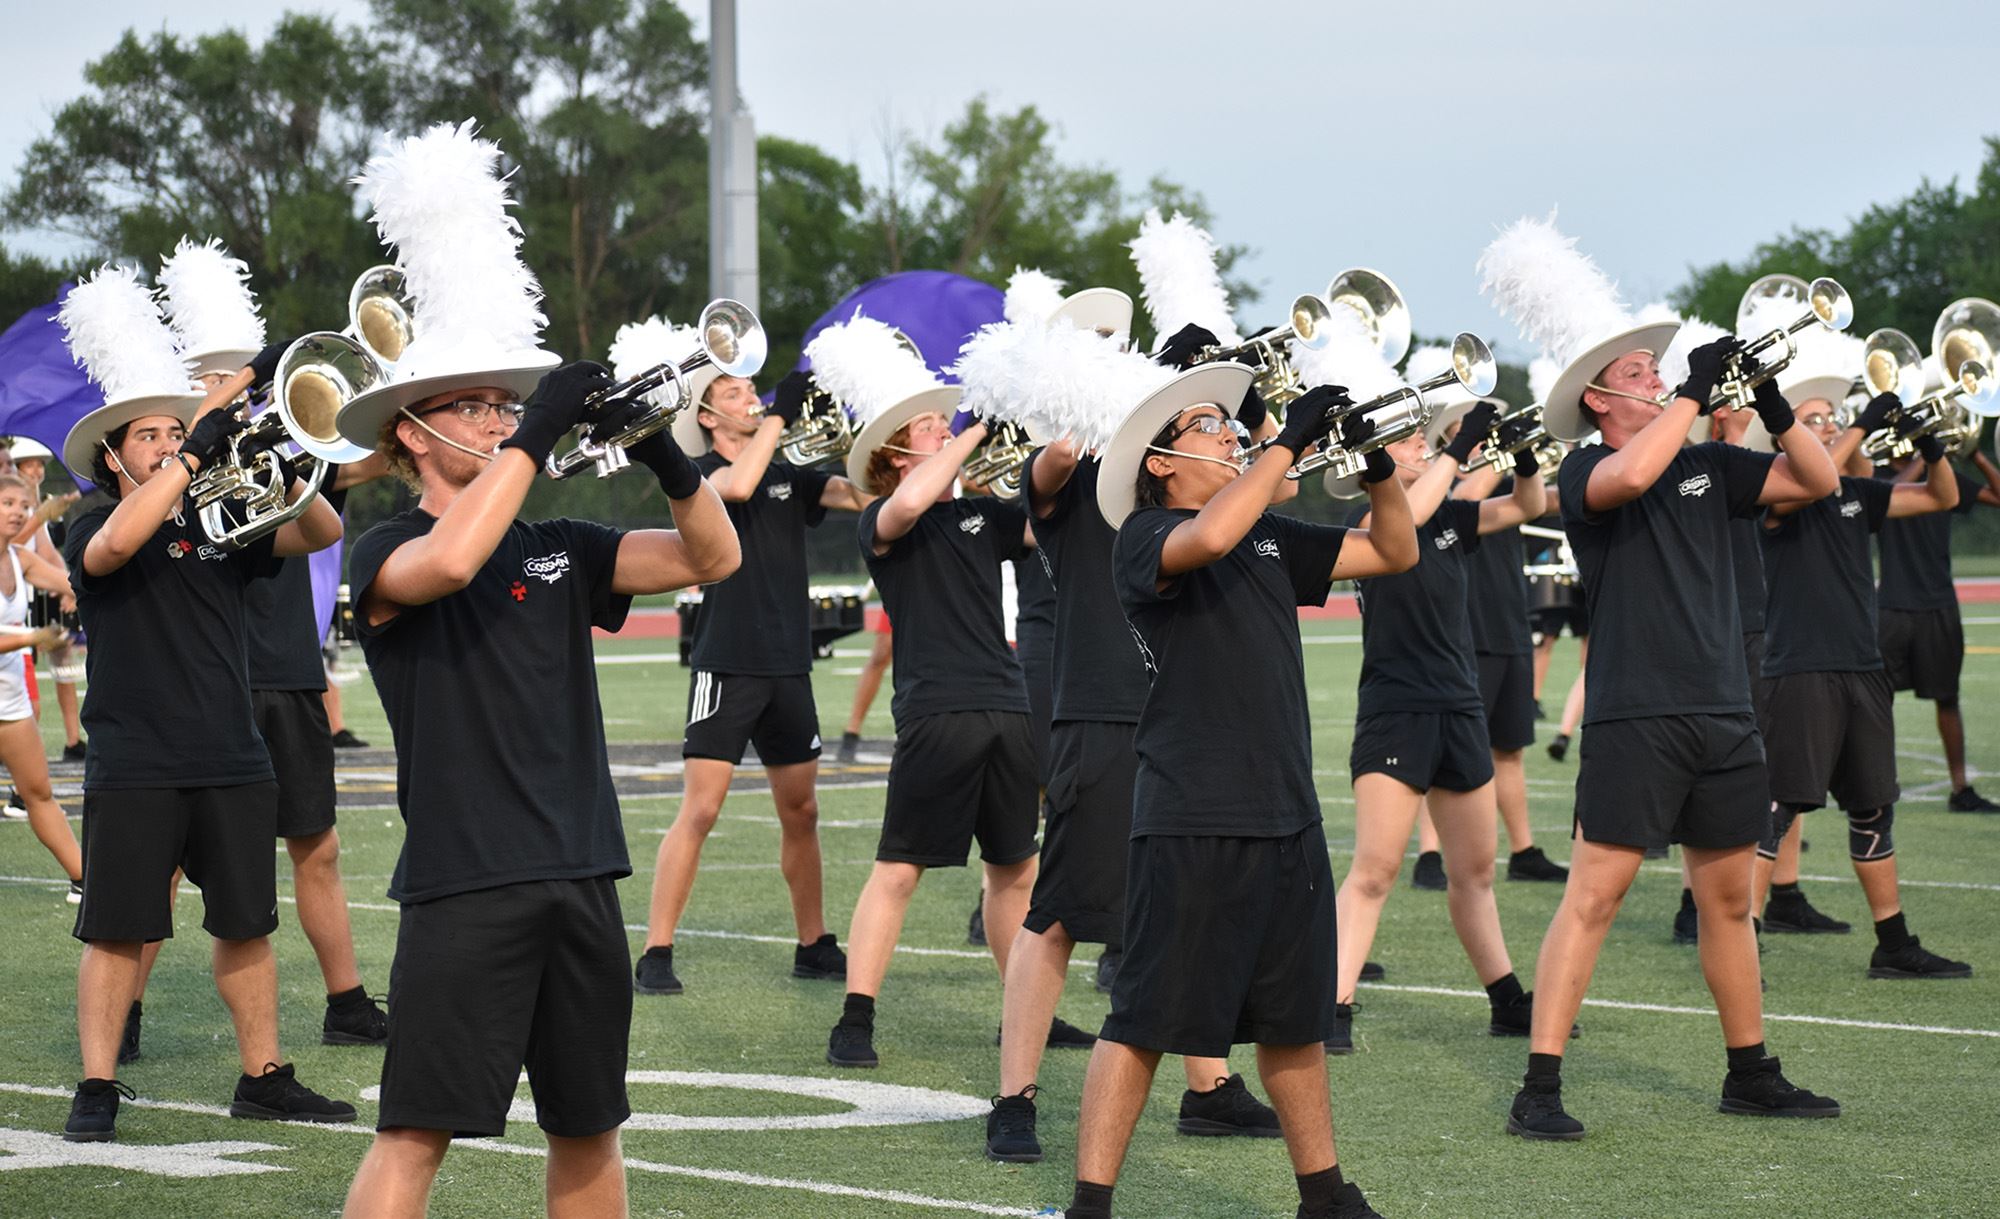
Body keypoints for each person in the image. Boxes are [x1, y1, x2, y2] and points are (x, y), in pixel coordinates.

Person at [1065, 368, 1414, 1219]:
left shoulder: (1265, 530)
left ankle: (1324, 1197)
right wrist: (1287, 438)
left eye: (1230, 424)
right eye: (1207, 425)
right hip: (1192, 812)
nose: (1229, 433)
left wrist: (1376, 466)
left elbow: (1393, 551)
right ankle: (1091, 1206)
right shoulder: (1144, 534)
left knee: (1294, 1020)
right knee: (1144, 1019)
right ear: (1160, 462)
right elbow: (1212, 535)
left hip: (1286, 809)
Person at [1507, 331, 1842, 1140]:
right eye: (1638, 371)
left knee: (1728, 901)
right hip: (1634, 713)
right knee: (1594, 898)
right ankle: (1538, 1085)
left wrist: (1770, 401)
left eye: (1659, 369)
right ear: (1598, 399)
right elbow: (1631, 475)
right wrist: (1693, 391)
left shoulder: (1710, 464)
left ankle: (1750, 1072)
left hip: (1723, 710)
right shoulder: (1584, 468)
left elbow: (1819, 479)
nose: (1657, 376)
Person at [57, 265, 352, 1143]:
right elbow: (118, 544)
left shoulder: (217, 519)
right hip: (136, 758)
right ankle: (97, 1083)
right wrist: (193, 453)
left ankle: (263, 1075)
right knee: (118, 930)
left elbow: (323, 531)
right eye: (148, 435)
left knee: (246, 925)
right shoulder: (90, 520)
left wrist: (280, 461)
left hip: (231, 751)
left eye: (174, 430)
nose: (166, 443)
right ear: (114, 456)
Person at [989, 357, 1285, 1165]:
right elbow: (1055, 456)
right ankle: (1014, 1096)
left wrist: (1245, 402)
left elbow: (1280, 486)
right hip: (1103, 714)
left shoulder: (1197, 478)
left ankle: (1207, 1085)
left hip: (1189, 717)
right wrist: (1098, 381)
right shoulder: (1078, 472)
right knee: (1058, 914)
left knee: (1194, 905)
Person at [826, 388, 1045, 1070]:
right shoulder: (883, 519)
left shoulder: (981, 514)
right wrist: (976, 431)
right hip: (936, 710)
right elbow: (912, 502)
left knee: (1015, 869)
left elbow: (1052, 520)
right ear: (895, 455)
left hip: (1006, 702)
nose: (946, 429)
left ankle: (1024, 1007)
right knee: (900, 869)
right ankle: (854, 1017)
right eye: (930, 427)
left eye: (947, 422)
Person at [635, 364, 871, 995]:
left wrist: (869, 434)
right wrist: (781, 414)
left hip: (789, 665)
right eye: (735, 394)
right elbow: (738, 487)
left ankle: (813, 944)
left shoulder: (788, 471)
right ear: (708, 417)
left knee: (802, 811)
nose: (753, 399)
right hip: (727, 661)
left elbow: (862, 498)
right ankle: (656, 949)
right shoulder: (702, 474)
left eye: (752, 391)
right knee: (702, 809)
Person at [1330, 402, 1550, 1054]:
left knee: (1475, 872)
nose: (1422, 446)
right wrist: (1461, 451)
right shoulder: (1368, 523)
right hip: (1397, 711)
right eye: (1407, 441)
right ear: (1374, 460)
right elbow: (1410, 515)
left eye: (1422, 439)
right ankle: (1331, 1005)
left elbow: (1527, 505)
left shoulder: (1451, 515)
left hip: (1460, 707)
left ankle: (1506, 999)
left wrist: (1523, 457)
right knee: (1374, 871)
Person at [1749, 392, 1970, 978]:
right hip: (1801, 671)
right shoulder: (1773, 493)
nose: (1828, 426)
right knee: (1776, 809)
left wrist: (1930, 446)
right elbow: (1815, 478)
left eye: (1832, 418)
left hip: (1863, 669)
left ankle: (1892, 945)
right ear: (1782, 437)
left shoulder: (1858, 493)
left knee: (1873, 807)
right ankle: (1740, 943)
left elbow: (1942, 497)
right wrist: (1865, 425)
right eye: (1812, 420)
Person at [1444, 416, 1567, 882]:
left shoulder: (1499, 482)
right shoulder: (1439, 482)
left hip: (1510, 626)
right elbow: (1462, 500)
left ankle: (1523, 851)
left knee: (1509, 749)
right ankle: (1434, 853)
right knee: (1452, 752)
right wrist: (1493, 456)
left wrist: (1523, 456)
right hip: (1465, 634)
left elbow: (1540, 501)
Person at [1876, 446, 2000, 811]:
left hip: (1939, 604)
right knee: (1878, 700)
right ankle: (1876, 788)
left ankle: (1960, 789)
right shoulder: (1876, 478)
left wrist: (1976, 456)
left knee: (1948, 698)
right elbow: (1890, 493)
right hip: (1892, 606)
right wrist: (1927, 454)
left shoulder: (1941, 475)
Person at [0, 473, 83, 898]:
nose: (18, 512)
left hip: (9, 704)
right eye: (7, 503)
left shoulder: (20, 559)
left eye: (24, 506)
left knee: (38, 793)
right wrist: (32, 637)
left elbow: (77, 583)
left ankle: (84, 880)